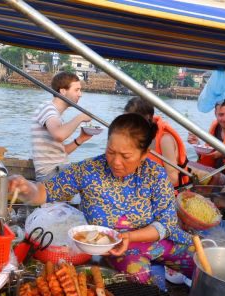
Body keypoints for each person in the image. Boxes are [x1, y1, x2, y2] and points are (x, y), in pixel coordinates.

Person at [10, 113, 195, 283]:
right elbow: (45, 192)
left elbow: (167, 223)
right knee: (141, 282)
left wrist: (129, 235)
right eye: (111, 152)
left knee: (201, 264)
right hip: (120, 250)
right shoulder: (88, 170)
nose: (116, 161)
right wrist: (27, 188)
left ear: (144, 154)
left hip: (162, 241)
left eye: (125, 156)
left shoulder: (155, 174)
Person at [31, 71, 94, 181]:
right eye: (76, 90)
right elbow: (59, 135)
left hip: (57, 170)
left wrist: (81, 139)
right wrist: (80, 117)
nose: (80, 94)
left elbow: (60, 152)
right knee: (95, 169)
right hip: (51, 173)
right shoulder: (48, 108)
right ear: (63, 91)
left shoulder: (55, 115)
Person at [123, 97, 191, 187]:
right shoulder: (138, 136)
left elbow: (173, 179)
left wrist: (142, 187)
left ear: (146, 118)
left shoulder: (165, 140)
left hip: (168, 194)